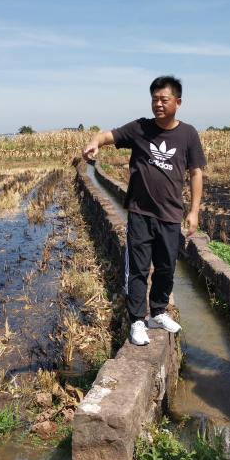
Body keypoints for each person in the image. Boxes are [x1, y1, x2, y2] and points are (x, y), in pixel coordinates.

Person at [82, 75, 206, 346]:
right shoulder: (139, 128)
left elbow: (196, 172)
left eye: (164, 99)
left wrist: (194, 211)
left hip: (171, 214)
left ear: (178, 102)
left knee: (165, 267)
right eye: (154, 99)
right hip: (140, 212)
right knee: (138, 268)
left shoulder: (188, 134)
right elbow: (106, 136)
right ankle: (138, 320)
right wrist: (93, 141)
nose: (158, 104)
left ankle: (158, 312)